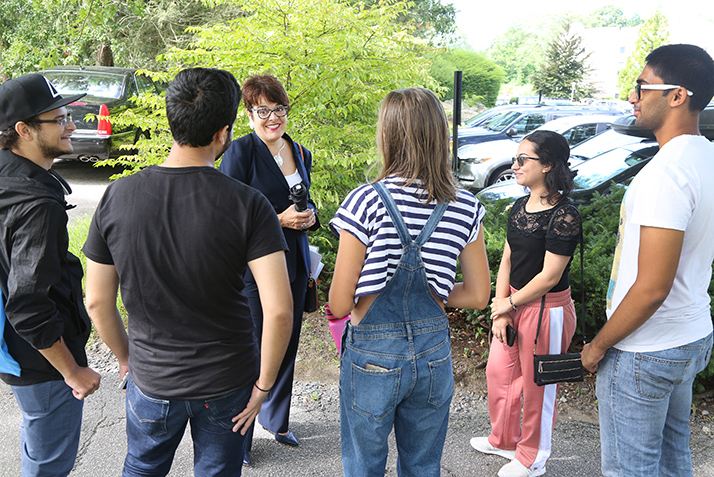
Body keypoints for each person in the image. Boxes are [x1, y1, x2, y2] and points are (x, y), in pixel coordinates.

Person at [82, 68, 293, 477]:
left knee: (142, 469)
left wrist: (128, 360)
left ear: (171, 120)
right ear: (224, 132)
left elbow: (96, 300)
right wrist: (263, 388)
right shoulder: (248, 205)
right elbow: (279, 311)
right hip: (228, 382)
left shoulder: (118, 196)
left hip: (152, 379)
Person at [329, 87, 491, 476]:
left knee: (363, 465)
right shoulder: (466, 206)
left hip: (372, 352)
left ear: (388, 136)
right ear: (439, 135)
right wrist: (434, 291)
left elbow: (337, 303)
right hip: (433, 351)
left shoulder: (365, 201)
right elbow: (478, 295)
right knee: (422, 465)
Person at [581, 44, 714, 476]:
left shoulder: (666, 174)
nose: (632, 97)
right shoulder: (706, 158)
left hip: (645, 349)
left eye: (641, 87)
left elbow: (653, 287)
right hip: (690, 334)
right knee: (675, 462)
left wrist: (599, 345)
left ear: (678, 95)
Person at [0, 73, 101, 476]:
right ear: (23, 129)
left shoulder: (7, 177)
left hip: (14, 351)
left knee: (38, 451)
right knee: (48, 466)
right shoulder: (36, 202)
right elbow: (28, 304)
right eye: (58, 119)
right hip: (42, 361)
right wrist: (71, 371)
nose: (71, 124)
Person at [218, 74, 319, 463]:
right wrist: (278, 220)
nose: (273, 118)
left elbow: (303, 203)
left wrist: (308, 218)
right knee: (255, 345)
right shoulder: (240, 153)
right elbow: (227, 216)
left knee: (287, 340)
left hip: (294, 259)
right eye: (263, 110)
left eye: (279, 109)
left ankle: (277, 421)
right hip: (253, 267)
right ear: (249, 114)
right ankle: (239, 439)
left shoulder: (300, 151)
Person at [470, 130, 582, 477]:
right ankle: (505, 439)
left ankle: (534, 456)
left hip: (548, 310)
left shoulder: (565, 215)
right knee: (498, 373)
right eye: (515, 159)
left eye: (523, 160)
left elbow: (550, 276)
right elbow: (507, 259)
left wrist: (509, 303)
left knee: (538, 388)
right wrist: (501, 305)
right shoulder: (520, 205)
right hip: (514, 303)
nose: (515, 165)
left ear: (547, 164)